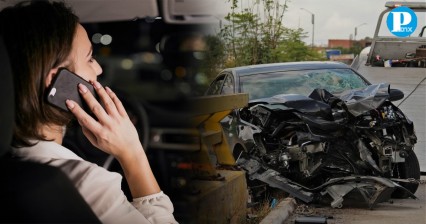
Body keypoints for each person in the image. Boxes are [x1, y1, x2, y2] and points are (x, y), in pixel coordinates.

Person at [0, 1, 178, 223]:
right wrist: (132, 152)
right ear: (56, 81)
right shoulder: (86, 183)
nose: (99, 69)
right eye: (90, 58)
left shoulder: (11, 164)